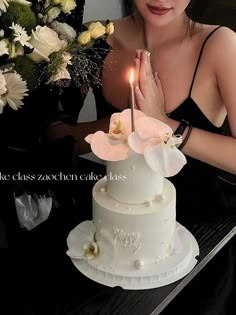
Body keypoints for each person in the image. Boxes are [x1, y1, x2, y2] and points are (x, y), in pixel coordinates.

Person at [46, 1, 236, 314]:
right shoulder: (94, 39)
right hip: (109, 239)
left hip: (200, 246)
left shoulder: (220, 45)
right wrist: (121, 125)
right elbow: (59, 140)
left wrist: (164, 124)